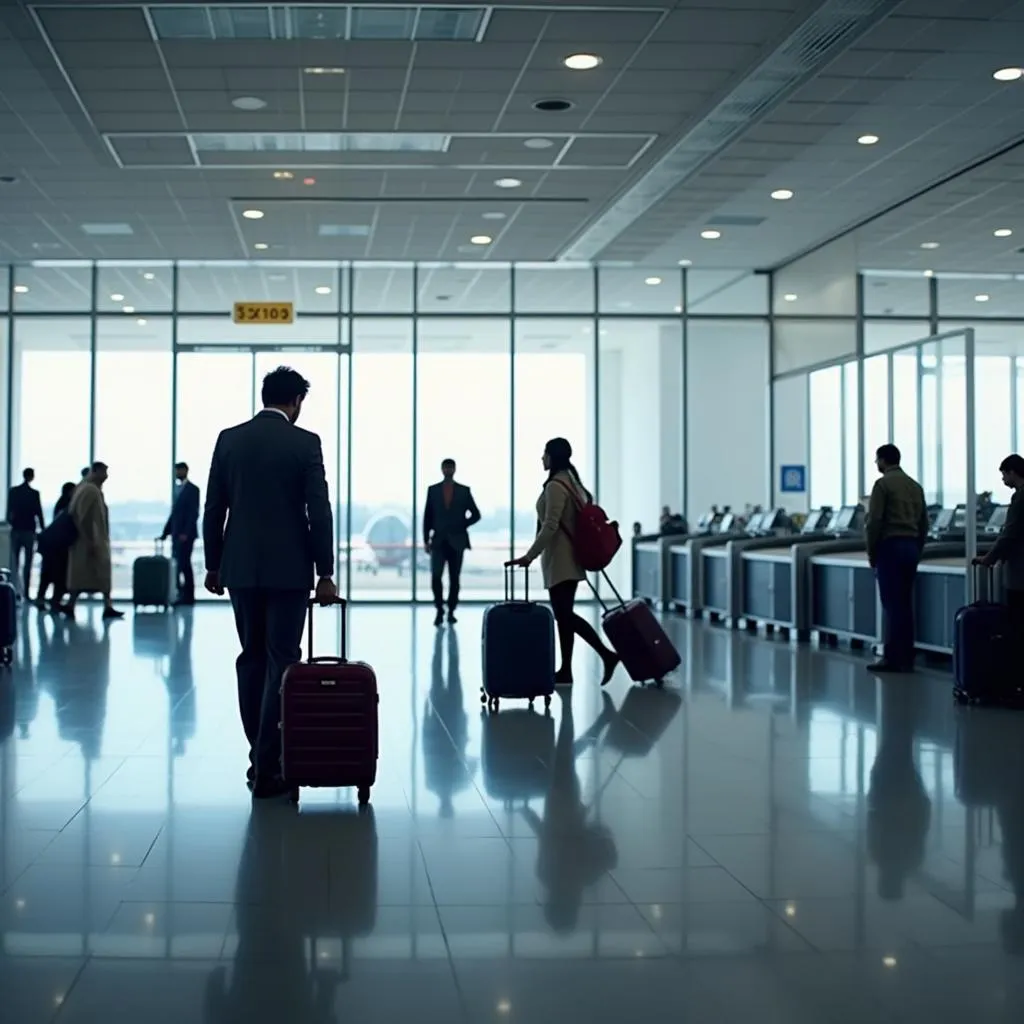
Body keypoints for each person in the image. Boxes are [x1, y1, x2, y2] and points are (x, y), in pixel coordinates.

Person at [202, 365, 337, 800]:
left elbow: (213, 509)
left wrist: (212, 563)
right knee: (283, 661)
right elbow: (319, 510)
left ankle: (258, 756)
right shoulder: (305, 443)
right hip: (289, 571)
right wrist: (326, 572)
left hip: (239, 568)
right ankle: (267, 764)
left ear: (265, 397)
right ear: (296, 401)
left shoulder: (229, 439)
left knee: (252, 659)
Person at [507, 437, 619, 687]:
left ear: (552, 456)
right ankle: (566, 670)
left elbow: (550, 526)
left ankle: (606, 655)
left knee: (564, 615)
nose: (541, 458)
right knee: (564, 616)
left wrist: (529, 555)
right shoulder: (572, 482)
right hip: (568, 557)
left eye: (544, 453)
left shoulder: (556, 486)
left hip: (562, 559)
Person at [865, 444, 929, 674]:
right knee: (905, 604)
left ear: (883, 460)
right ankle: (907, 657)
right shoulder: (915, 486)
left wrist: (872, 553)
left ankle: (893, 659)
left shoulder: (882, 485)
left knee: (892, 605)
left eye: (877, 460)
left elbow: (874, 522)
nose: (876, 465)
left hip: (890, 546)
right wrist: (917, 548)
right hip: (911, 547)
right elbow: (924, 524)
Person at [422, 458, 481, 626]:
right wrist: (426, 539)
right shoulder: (433, 491)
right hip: (439, 540)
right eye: (446, 467)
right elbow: (428, 516)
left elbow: (476, 514)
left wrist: (462, 524)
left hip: (457, 540)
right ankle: (439, 609)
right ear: (442, 469)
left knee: (454, 578)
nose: (448, 470)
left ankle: (451, 611)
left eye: (450, 467)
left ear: (454, 469)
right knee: (436, 577)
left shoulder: (464, 491)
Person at [64, 462, 123, 621]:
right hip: (89, 541)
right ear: (95, 471)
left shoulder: (86, 488)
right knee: (96, 573)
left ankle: (78, 604)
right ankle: (102, 605)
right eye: (104, 472)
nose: (106, 476)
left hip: (90, 540)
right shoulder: (90, 490)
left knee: (86, 575)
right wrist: (90, 540)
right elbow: (81, 518)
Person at [973, 453, 1024, 615]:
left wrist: (989, 558)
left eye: (1004, 474)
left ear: (1012, 473)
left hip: (1020, 572)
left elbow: (1009, 534)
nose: (1002, 480)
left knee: (1017, 621)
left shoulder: (1020, 497)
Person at [160, 461, 200, 606]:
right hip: (177, 534)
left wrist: (186, 533)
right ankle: (181, 594)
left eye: (178, 471)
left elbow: (193, 513)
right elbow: (174, 514)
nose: (176, 474)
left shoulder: (193, 489)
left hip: (185, 535)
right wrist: (165, 532)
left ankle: (188, 596)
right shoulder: (177, 490)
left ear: (185, 471)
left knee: (185, 564)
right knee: (179, 565)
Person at [35, 481, 76, 611]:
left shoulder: (62, 503)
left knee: (47, 573)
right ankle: (54, 601)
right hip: (55, 545)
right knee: (58, 573)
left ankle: (44, 599)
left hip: (49, 542)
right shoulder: (69, 506)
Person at [6, 467, 45, 599]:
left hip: (16, 530)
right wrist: (43, 530)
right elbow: (39, 514)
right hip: (29, 531)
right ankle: (27, 594)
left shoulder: (13, 492)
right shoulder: (34, 494)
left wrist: (13, 523)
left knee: (15, 563)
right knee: (28, 564)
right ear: (32, 477)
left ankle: (15, 591)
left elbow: (8, 514)